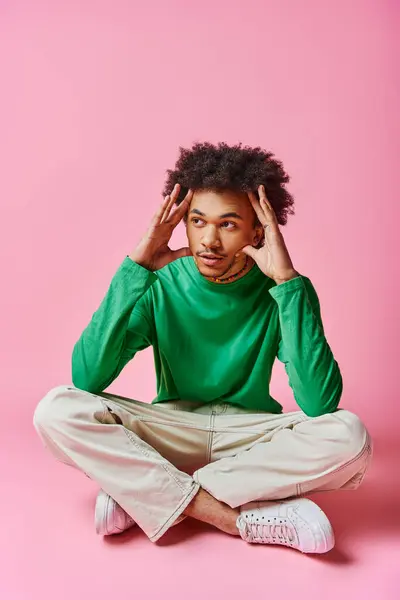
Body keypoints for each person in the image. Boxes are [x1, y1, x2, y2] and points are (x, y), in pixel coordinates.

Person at [33, 142, 372, 554]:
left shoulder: (285, 289)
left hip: (249, 438)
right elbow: (87, 376)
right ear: (183, 224)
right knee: (57, 408)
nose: (209, 240)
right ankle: (235, 517)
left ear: (258, 231)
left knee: (349, 434)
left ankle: (144, 495)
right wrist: (135, 267)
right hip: (171, 430)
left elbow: (319, 402)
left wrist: (286, 282)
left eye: (228, 224)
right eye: (197, 221)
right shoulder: (158, 282)